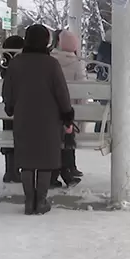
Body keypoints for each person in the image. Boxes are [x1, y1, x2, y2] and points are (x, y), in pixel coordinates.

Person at [2, 24, 74, 215]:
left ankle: (29, 202)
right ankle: (40, 202)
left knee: (26, 159)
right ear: (46, 41)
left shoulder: (17, 62)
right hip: (49, 119)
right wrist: (67, 114)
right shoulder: (51, 64)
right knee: (45, 159)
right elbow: (62, 93)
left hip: (23, 116)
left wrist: (10, 106)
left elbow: (8, 90)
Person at [50, 30, 85, 187]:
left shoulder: (50, 60)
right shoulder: (78, 63)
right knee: (67, 137)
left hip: (49, 114)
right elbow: (82, 94)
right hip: (69, 114)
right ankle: (67, 171)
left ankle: (53, 173)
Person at [0, 35, 25, 183]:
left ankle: (10, 170)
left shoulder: (5, 69)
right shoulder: (24, 67)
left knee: (8, 126)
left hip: (9, 113)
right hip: (24, 114)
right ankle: (19, 169)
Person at [93, 30, 111, 133]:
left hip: (101, 81)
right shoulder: (111, 51)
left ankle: (99, 130)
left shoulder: (102, 50)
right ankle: (104, 130)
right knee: (106, 110)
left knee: (102, 109)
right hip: (107, 82)